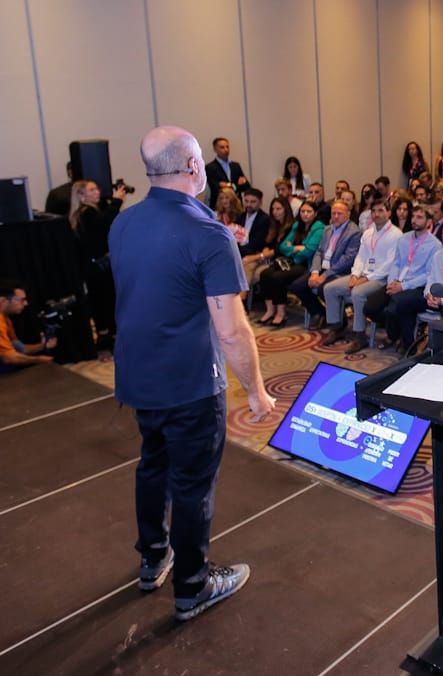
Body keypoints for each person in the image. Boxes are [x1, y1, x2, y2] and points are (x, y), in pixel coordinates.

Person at [110, 125, 273, 621]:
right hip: (190, 385)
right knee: (192, 484)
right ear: (195, 167)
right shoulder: (208, 233)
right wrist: (258, 392)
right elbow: (233, 331)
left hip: (140, 377)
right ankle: (192, 586)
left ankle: (152, 558)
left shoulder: (122, 224)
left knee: (152, 464)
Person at [383, 219, 443, 351]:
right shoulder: (438, 255)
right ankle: (410, 348)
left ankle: (441, 354)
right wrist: (428, 294)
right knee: (403, 303)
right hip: (436, 297)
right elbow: (431, 279)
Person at [320, 201, 401, 353]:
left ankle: (360, 336)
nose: (376, 214)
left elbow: (390, 264)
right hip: (362, 274)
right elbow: (360, 257)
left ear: (389, 213)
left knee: (357, 293)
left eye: (381, 210)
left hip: (381, 278)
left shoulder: (396, 234)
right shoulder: (369, 232)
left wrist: (366, 278)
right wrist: (355, 274)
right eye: (374, 211)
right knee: (330, 288)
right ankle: (336, 327)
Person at [69, 179, 125, 347]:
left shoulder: (85, 213)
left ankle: (110, 338)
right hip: (97, 268)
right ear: (81, 195)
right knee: (105, 303)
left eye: (97, 188)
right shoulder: (87, 213)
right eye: (92, 190)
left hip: (95, 267)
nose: (98, 192)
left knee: (104, 303)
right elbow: (105, 223)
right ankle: (108, 340)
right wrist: (116, 201)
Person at [375, 205, 441, 349]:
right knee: (371, 306)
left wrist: (403, 286)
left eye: (419, 217)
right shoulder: (404, 238)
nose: (414, 220)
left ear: (429, 221)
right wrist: (392, 281)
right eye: (413, 216)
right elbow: (396, 262)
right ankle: (396, 334)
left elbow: (429, 274)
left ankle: (396, 338)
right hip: (397, 281)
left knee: (396, 307)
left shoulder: (435, 245)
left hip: (417, 285)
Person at [288, 200, 360, 331]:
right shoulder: (327, 229)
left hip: (339, 271)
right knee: (297, 286)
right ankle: (321, 313)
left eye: (340, 213)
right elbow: (319, 252)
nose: (336, 216)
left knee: (323, 288)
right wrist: (315, 272)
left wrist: (325, 275)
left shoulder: (354, 232)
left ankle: (339, 321)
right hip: (321, 268)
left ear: (348, 214)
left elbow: (348, 260)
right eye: (334, 213)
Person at [257, 201, 326, 327]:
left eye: (309, 211)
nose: (305, 214)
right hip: (292, 262)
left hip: (307, 265)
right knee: (265, 274)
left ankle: (281, 313)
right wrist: (298, 248)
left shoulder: (319, 228)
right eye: (302, 211)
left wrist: (293, 249)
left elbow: (310, 252)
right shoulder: (296, 225)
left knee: (277, 277)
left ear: (315, 213)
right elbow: (282, 246)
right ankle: (270, 310)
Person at [0, 281, 56, 371]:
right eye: (21, 300)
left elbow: (20, 348)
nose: (26, 303)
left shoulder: (5, 318)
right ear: (3, 300)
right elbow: (8, 358)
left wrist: (43, 345)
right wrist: (38, 359)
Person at [204, 137, 249, 208]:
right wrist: (237, 185)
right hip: (219, 206)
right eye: (222, 147)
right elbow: (216, 188)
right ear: (215, 149)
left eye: (227, 147)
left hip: (236, 206)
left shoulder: (235, 166)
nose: (226, 150)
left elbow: (246, 186)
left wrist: (228, 185)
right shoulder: (210, 167)